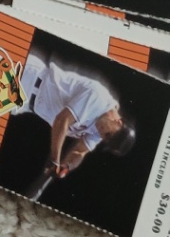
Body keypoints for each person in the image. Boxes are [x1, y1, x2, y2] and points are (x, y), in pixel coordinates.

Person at [18, 51, 137, 180]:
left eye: (106, 140)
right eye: (109, 134)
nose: (103, 137)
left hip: (25, 104)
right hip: (28, 77)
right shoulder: (98, 99)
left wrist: (67, 166)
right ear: (118, 122)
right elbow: (62, 120)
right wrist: (54, 158)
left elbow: (80, 151)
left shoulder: (101, 129)